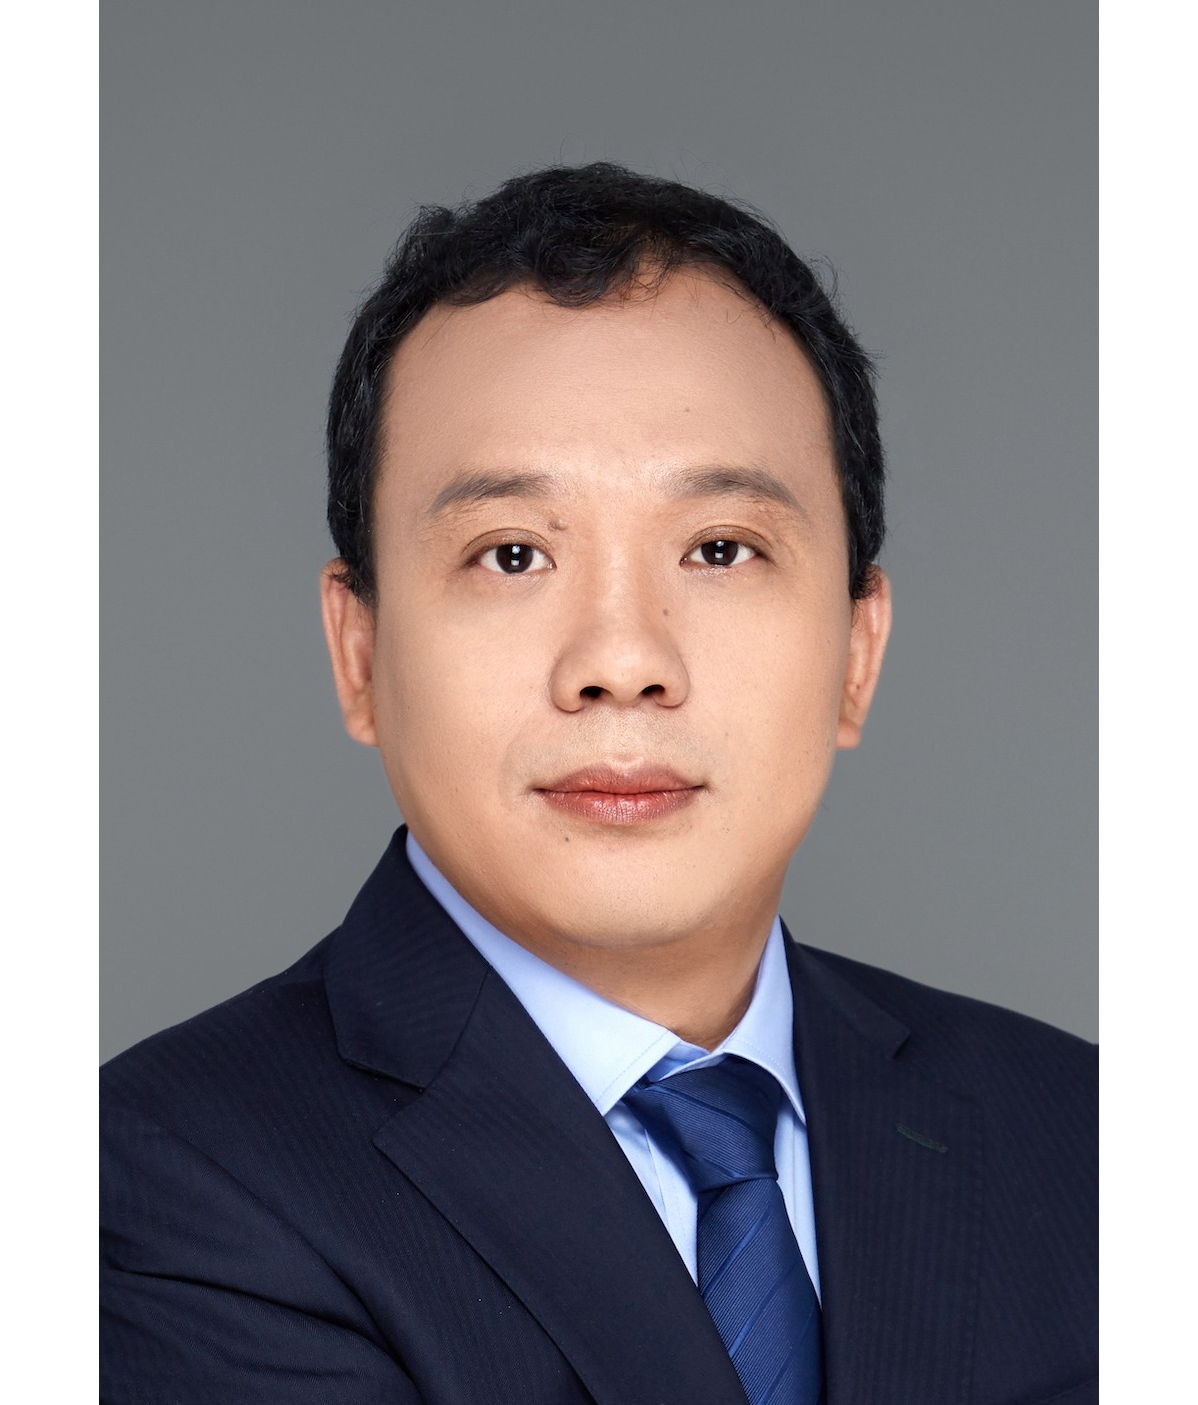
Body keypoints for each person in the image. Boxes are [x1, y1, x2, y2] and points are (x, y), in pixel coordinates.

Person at [100, 163, 1097, 1405]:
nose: (621, 661)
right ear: (359, 652)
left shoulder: (1088, 1138)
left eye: (720, 549)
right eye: (511, 554)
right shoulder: (154, 1178)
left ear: (858, 651)